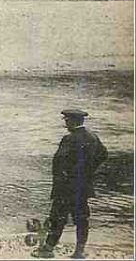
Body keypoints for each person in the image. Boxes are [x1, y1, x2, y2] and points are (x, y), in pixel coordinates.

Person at [32, 109, 108, 259]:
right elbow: (103, 154)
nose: (66, 124)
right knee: (81, 219)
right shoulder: (92, 137)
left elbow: (59, 162)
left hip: (66, 187)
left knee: (58, 217)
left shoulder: (69, 139)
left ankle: (48, 249)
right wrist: (89, 171)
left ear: (72, 121)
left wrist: (63, 178)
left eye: (67, 121)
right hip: (83, 186)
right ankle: (79, 251)